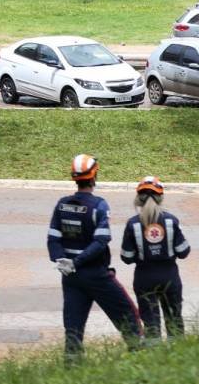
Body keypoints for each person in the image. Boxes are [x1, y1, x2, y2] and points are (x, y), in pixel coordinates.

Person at [47, 154, 142, 361]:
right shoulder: (99, 206)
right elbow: (101, 242)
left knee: (73, 330)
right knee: (129, 317)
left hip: (71, 278)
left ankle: (72, 370)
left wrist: (61, 260)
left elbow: (52, 239)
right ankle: (140, 361)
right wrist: (77, 261)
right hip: (96, 275)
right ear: (94, 176)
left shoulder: (61, 205)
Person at [120, 176, 191, 342]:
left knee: (151, 326)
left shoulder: (133, 224)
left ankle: (154, 359)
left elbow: (127, 257)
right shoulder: (171, 221)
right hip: (170, 277)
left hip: (144, 278)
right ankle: (178, 357)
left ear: (138, 199)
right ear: (161, 198)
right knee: (174, 322)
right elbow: (183, 251)